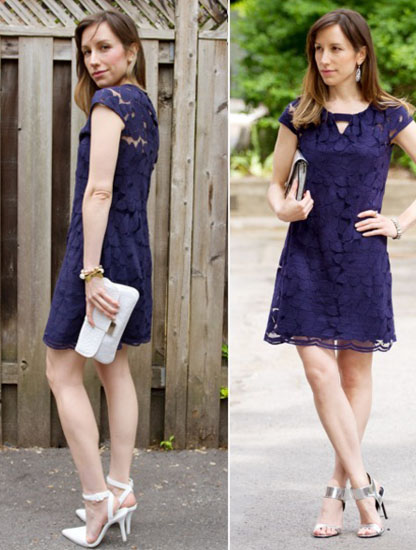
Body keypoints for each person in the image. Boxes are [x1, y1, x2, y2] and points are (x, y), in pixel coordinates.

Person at [263, 8, 416, 539]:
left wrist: (398, 223)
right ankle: (365, 493)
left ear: (360, 54)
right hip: (307, 254)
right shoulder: (299, 114)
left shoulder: (389, 116)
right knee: (319, 371)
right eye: (318, 50)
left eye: (336, 50)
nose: (325, 59)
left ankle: (336, 490)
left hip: (363, 258)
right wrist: (285, 210)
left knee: (354, 376)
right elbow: (275, 187)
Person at [42, 9, 158, 548]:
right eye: (87, 51)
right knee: (115, 369)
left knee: (61, 371)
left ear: (132, 51)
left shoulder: (110, 103)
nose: (95, 60)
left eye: (106, 48)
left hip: (102, 251)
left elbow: (99, 191)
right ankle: (121, 488)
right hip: (133, 248)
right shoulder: (144, 107)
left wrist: (90, 272)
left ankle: (97, 504)